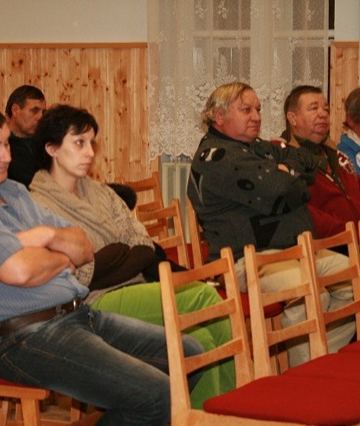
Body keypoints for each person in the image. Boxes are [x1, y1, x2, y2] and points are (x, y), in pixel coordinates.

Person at [0, 100, 204, 425]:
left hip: (77, 315)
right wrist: (57, 254)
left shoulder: (14, 191)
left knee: (190, 356)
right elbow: (20, 270)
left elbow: (82, 247)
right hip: (22, 337)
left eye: (7, 144)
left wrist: (46, 236)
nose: (7, 157)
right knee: (156, 395)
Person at [28, 104, 234, 408]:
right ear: (52, 148)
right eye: (79, 142)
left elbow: (142, 244)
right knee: (204, 296)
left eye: (92, 143)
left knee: (202, 339)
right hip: (92, 304)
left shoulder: (102, 193)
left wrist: (108, 259)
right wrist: (119, 256)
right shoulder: (38, 205)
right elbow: (73, 277)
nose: (89, 153)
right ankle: (230, 408)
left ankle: (217, 414)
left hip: (135, 287)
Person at [187, 81, 355, 367]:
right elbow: (285, 190)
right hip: (245, 260)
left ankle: (321, 360)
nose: (256, 117)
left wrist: (286, 171)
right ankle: (306, 378)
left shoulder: (254, 147)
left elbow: (306, 159)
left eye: (258, 109)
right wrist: (287, 178)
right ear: (219, 117)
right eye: (246, 110)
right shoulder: (216, 157)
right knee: (309, 292)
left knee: (353, 277)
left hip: (289, 251)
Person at [281, 85, 360, 239]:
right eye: (314, 108)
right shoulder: (284, 158)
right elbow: (300, 211)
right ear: (293, 118)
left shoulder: (337, 155)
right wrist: (348, 233)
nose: (323, 114)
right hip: (329, 245)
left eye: (326, 109)